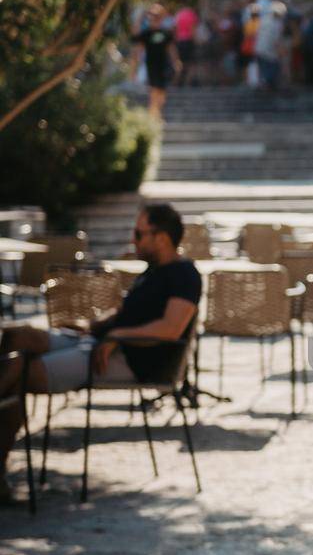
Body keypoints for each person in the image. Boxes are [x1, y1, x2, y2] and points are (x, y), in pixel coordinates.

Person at [0, 204, 201, 505]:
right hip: (102, 344)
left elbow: (170, 328)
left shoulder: (185, 275)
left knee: (19, 368)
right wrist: (90, 326)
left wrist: (117, 336)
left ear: (161, 237)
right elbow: (125, 314)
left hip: (133, 360)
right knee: (18, 335)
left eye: (138, 234)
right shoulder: (152, 271)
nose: (133, 240)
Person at [130, 3, 181, 117]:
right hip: (151, 65)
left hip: (164, 64)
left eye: (157, 15)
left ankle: (157, 112)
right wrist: (133, 69)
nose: (154, 18)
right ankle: (153, 116)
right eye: (152, 15)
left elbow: (171, 48)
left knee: (162, 92)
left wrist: (176, 62)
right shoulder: (146, 33)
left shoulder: (166, 33)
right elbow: (137, 50)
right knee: (153, 90)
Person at [173, 1, 199, 85]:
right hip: (188, 40)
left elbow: (175, 28)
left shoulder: (178, 14)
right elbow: (193, 29)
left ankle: (177, 80)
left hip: (179, 41)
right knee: (190, 62)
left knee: (180, 61)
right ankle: (188, 82)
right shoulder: (191, 14)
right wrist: (196, 41)